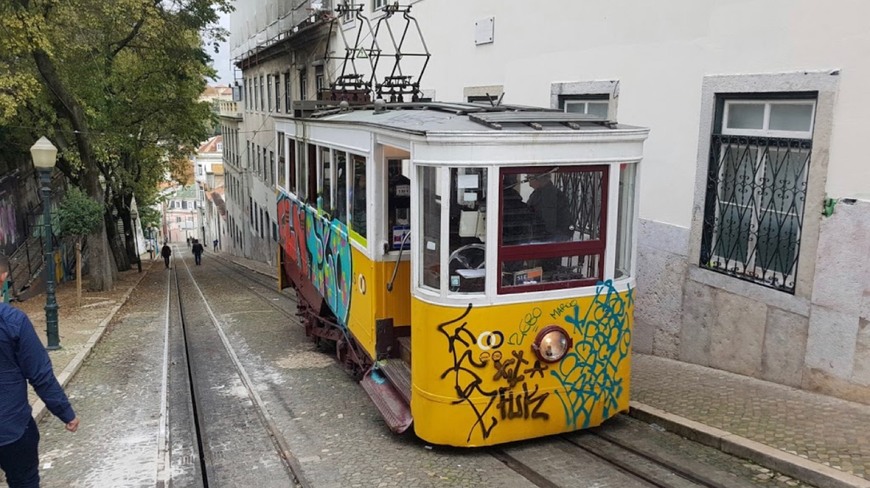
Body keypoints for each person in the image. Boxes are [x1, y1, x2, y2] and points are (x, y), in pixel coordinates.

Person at [0, 255, 79, 487]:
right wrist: (66, 413)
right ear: (3, 277)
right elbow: (39, 374)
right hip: (12, 429)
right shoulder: (13, 322)